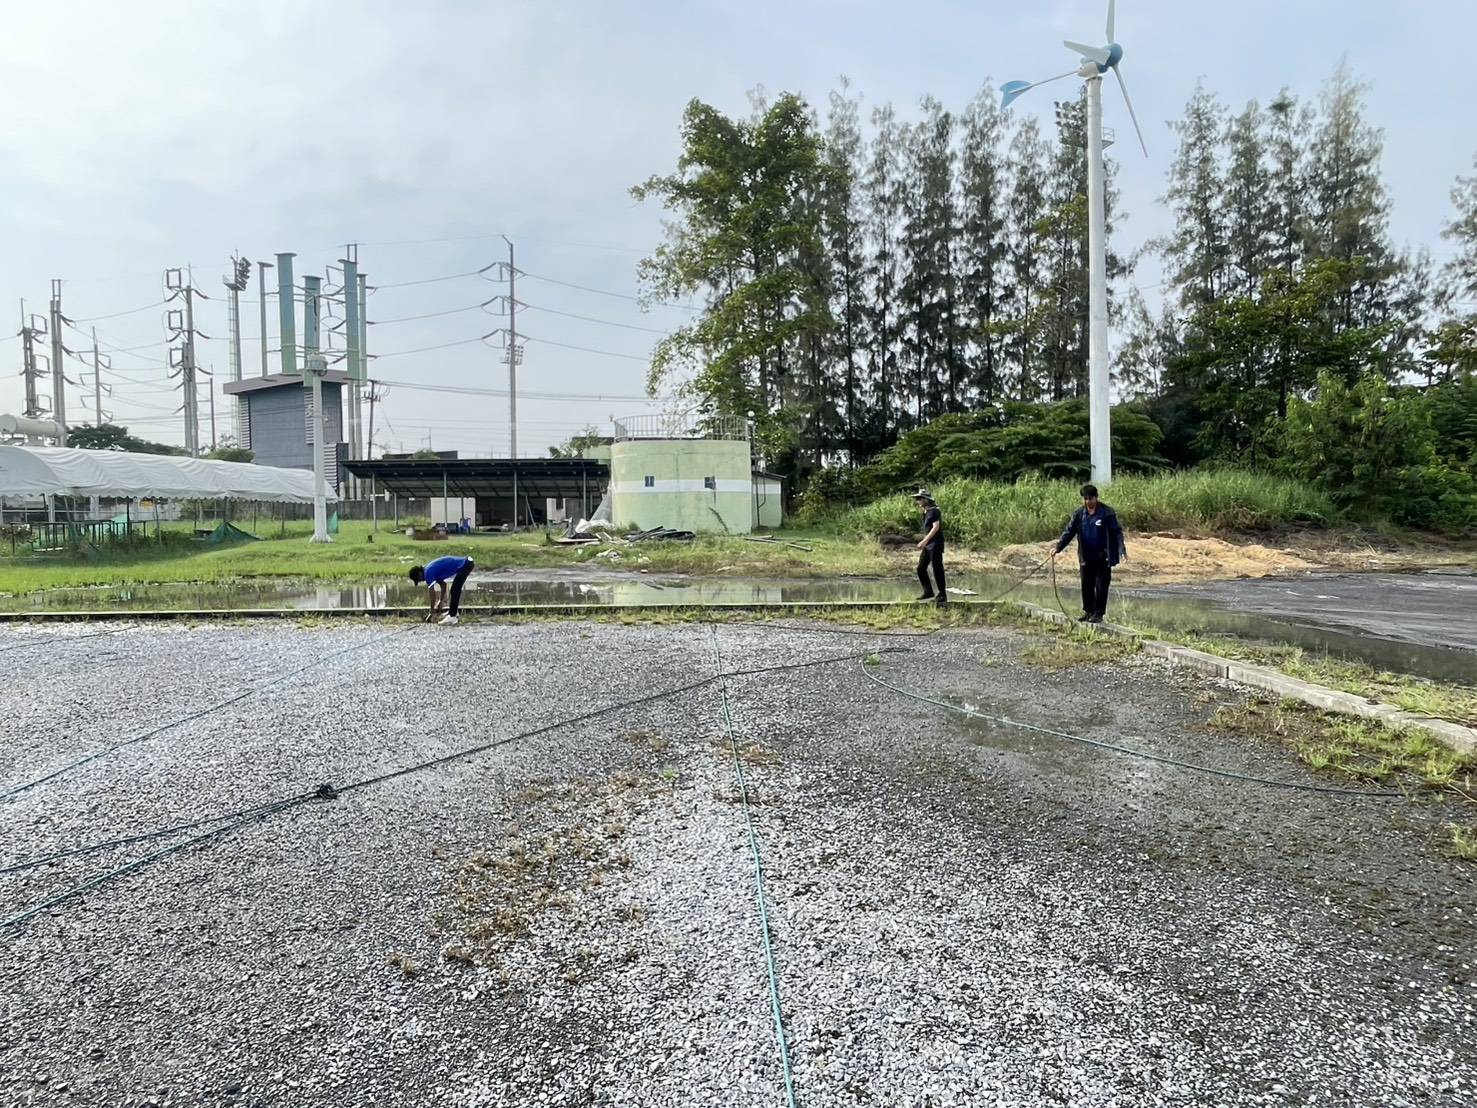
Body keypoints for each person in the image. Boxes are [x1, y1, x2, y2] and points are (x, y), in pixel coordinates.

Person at [1050, 484, 1124, 624]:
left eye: (1091, 498)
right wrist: (1058, 547)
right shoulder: (1079, 514)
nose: (1088, 501)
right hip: (1086, 555)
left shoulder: (1107, 513)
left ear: (1096, 498)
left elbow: (1116, 531)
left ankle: (1098, 613)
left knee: (1101, 585)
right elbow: (1069, 532)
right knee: (1086, 584)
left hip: (1103, 556)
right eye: (1085, 498)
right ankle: (1088, 611)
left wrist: (1120, 548)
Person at [409, 554, 475, 625]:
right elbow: (443, 585)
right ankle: (453, 612)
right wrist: (440, 601)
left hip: (465, 564)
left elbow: (432, 595)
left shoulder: (428, 573)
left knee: (455, 590)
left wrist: (432, 611)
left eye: (419, 580)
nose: (422, 581)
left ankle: (452, 616)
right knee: (454, 589)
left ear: (419, 573)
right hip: (467, 562)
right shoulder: (429, 570)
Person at [913, 489, 947, 605]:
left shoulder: (934, 511)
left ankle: (942, 595)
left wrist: (924, 541)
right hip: (929, 545)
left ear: (926, 500)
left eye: (919, 499)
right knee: (921, 568)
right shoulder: (926, 511)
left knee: (937, 569)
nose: (918, 501)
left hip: (935, 544)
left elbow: (936, 527)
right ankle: (928, 591)